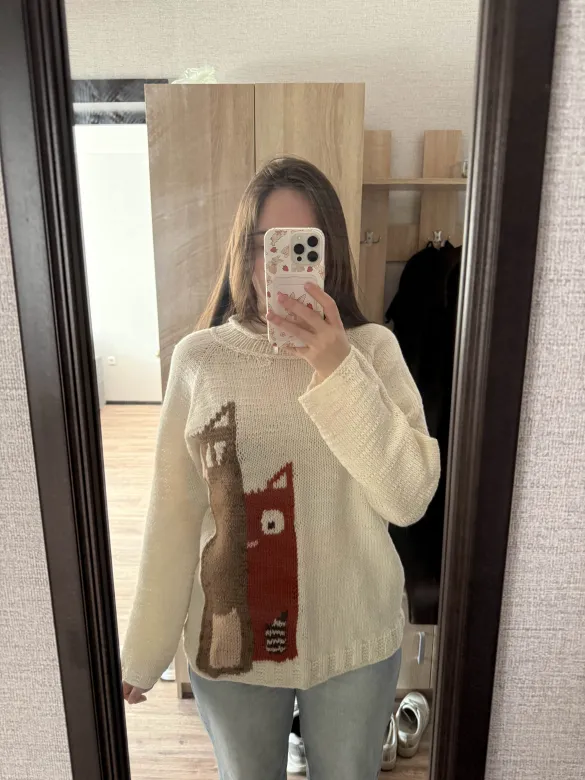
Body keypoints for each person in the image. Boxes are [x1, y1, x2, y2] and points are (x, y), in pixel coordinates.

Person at [121, 156, 440, 780]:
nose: (283, 264)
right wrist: (146, 649)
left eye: (302, 245)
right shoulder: (200, 360)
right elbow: (174, 518)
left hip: (356, 635)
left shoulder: (374, 350)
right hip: (234, 641)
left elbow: (408, 497)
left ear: (329, 254)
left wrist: (337, 367)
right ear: (245, 254)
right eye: (268, 244)